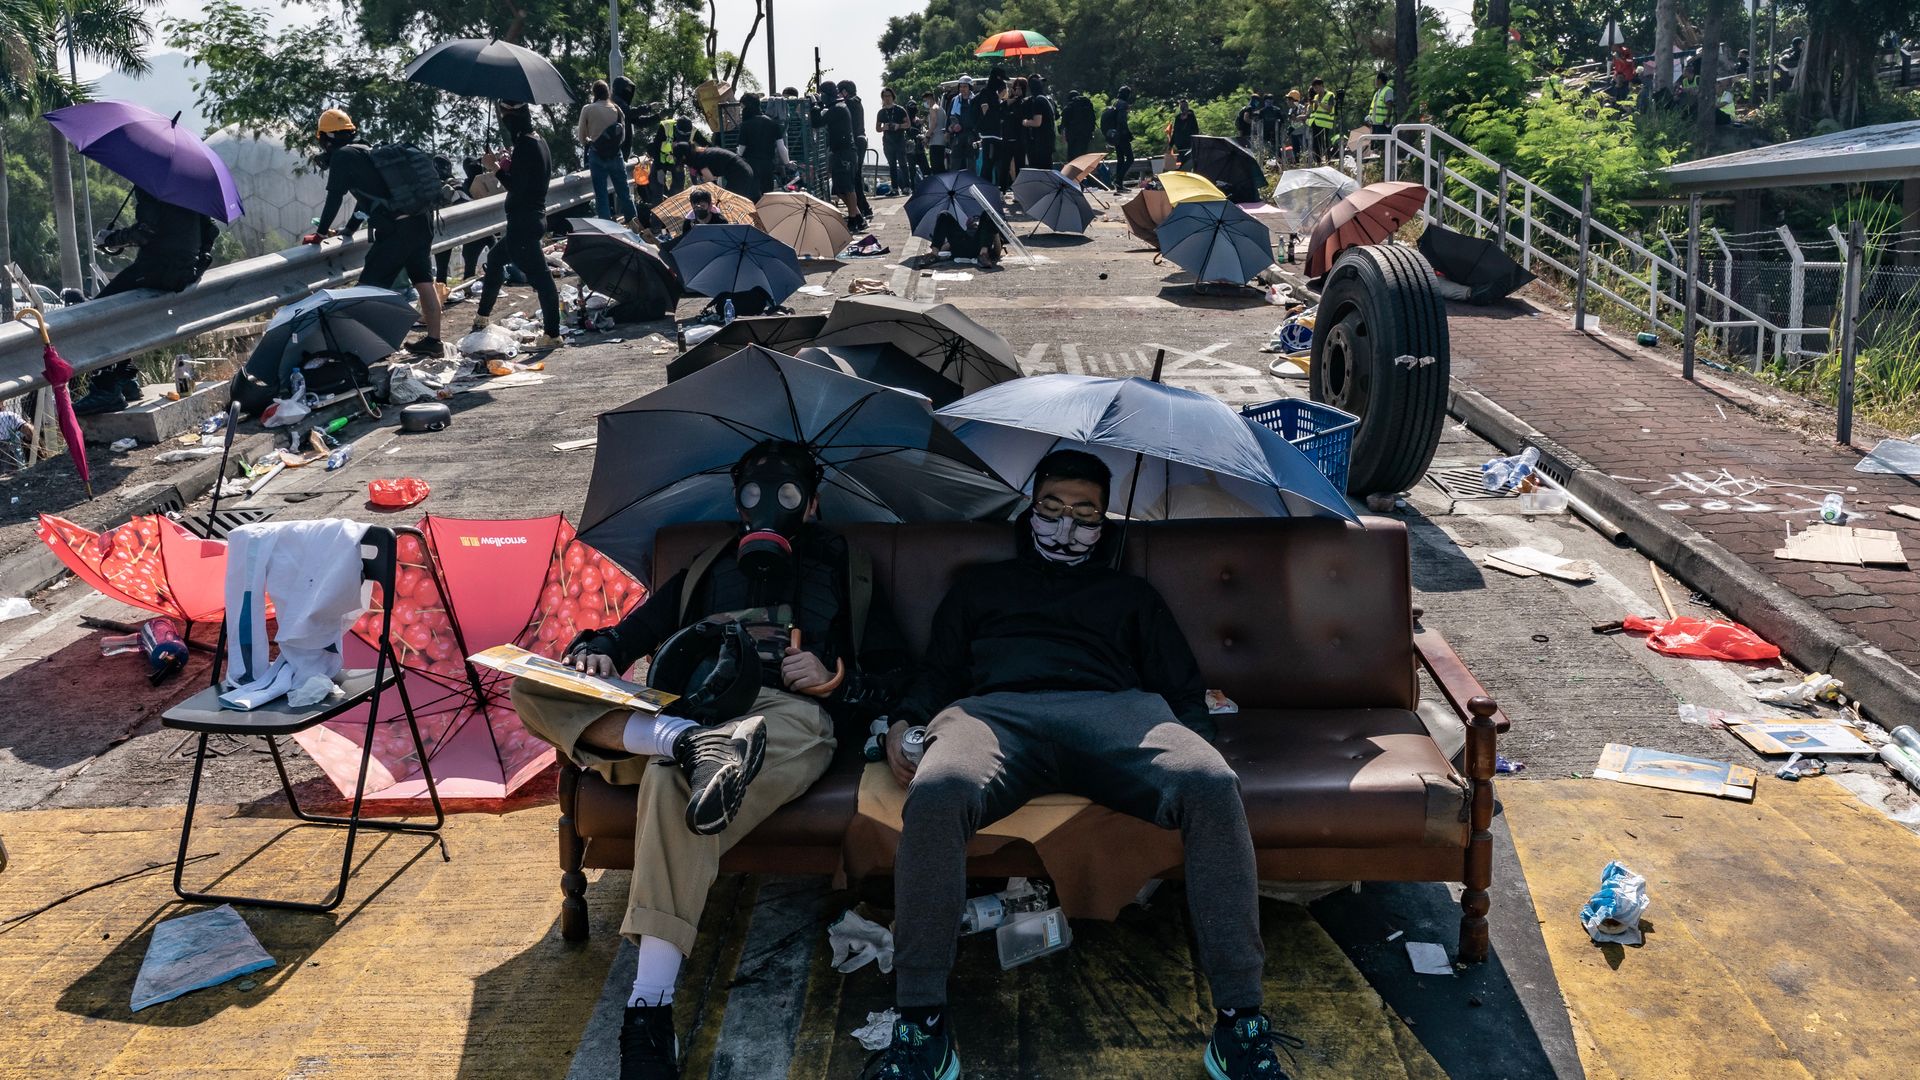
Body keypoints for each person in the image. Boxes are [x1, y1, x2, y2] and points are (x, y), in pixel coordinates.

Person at [862, 449, 1292, 1080]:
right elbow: (938, 673)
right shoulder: (982, 588)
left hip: (1114, 713)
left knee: (1209, 784)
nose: (1066, 527)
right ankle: (921, 1021)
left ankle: (1240, 1022)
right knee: (939, 788)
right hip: (995, 715)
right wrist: (901, 721)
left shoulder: (1130, 595)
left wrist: (1195, 750)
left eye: (1085, 513)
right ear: (1029, 510)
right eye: (1052, 509)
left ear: (1105, 521)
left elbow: (1181, 686)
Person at [513, 439, 907, 1080]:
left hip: (783, 714)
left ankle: (649, 1009)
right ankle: (683, 742)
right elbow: (628, 632)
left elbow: (898, 674)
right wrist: (598, 652)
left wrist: (834, 677)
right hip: (684, 706)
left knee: (677, 782)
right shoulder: (708, 565)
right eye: (753, 493)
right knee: (528, 680)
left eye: (785, 494)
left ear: (811, 503)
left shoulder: (844, 567)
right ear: (736, 501)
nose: (767, 506)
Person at [308, 108, 444, 357]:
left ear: (326, 138)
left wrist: (319, 234)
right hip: (420, 221)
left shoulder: (342, 157)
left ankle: (364, 349)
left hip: (398, 230)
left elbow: (334, 199)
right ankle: (434, 341)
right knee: (423, 281)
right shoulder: (367, 150)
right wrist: (349, 229)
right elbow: (369, 200)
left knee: (369, 289)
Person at [72, 186, 219, 414]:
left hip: (157, 268)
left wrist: (111, 238)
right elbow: (210, 231)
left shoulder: (151, 185)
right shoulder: (191, 186)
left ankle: (106, 389)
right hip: (185, 271)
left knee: (99, 314)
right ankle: (125, 378)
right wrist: (195, 261)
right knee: (123, 308)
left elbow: (144, 232)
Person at [470, 101, 562, 350]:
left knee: (542, 280)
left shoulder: (525, 145)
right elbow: (528, 177)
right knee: (496, 260)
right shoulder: (537, 141)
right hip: (530, 220)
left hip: (523, 223)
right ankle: (482, 318)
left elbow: (517, 187)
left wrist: (495, 169)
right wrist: (508, 164)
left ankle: (552, 334)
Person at [434, 157, 503, 286]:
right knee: (467, 269)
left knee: (445, 264)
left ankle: (445, 289)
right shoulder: (460, 184)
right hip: (474, 227)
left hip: (457, 229)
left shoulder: (452, 186)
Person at [580, 80, 636, 223]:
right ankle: (635, 225)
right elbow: (622, 137)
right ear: (608, 92)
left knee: (601, 196)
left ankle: (607, 231)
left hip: (596, 156)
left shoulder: (588, 109)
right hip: (616, 156)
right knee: (624, 194)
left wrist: (592, 140)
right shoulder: (617, 109)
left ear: (594, 93)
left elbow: (582, 137)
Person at [811, 82, 865, 229]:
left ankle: (853, 219)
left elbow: (817, 122)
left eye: (822, 94)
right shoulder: (837, 107)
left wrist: (815, 108)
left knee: (848, 187)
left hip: (845, 152)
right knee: (839, 190)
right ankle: (858, 216)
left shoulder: (838, 108)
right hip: (840, 152)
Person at [735, 93, 784, 200]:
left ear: (747, 106)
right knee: (767, 197)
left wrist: (736, 155)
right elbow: (781, 147)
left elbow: (741, 150)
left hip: (750, 166)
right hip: (768, 165)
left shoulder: (745, 125)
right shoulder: (772, 123)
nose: (741, 110)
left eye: (742, 107)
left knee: (752, 198)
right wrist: (787, 162)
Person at [677, 141, 761, 200]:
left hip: (739, 173)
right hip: (745, 169)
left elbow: (712, 182)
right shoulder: (702, 154)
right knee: (740, 201)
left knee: (731, 201)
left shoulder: (699, 160)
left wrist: (716, 199)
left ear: (685, 157)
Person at [839, 80, 875, 218]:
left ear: (844, 91)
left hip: (856, 141)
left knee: (854, 177)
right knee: (856, 177)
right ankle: (863, 207)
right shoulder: (856, 101)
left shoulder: (850, 103)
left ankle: (863, 208)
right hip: (860, 140)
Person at [928, 210, 1006, 268]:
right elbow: (946, 247)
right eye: (973, 219)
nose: (975, 221)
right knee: (944, 214)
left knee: (988, 212)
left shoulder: (987, 230)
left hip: (979, 249)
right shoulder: (965, 232)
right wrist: (940, 251)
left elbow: (997, 252)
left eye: (976, 219)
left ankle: (983, 255)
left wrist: (994, 231)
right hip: (961, 246)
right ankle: (934, 255)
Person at [877, 87, 911, 191]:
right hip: (888, 141)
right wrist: (884, 127)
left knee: (902, 164)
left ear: (893, 97)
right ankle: (895, 188)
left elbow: (908, 124)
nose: (887, 98)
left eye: (889, 96)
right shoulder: (881, 112)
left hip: (899, 140)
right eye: (885, 96)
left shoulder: (900, 110)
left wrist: (898, 126)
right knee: (891, 165)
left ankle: (907, 187)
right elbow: (878, 128)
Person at [996, 77, 1028, 188]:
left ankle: (1019, 191)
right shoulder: (1008, 102)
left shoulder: (1025, 102)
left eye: (1020, 88)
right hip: (1006, 138)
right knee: (1004, 166)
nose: (1017, 91)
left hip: (1020, 139)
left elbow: (1020, 116)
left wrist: (1015, 101)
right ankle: (1002, 190)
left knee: (1020, 166)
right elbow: (1000, 113)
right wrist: (1008, 103)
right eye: (1015, 88)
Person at [1021, 73, 1057, 173]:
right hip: (1048, 140)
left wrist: (1025, 122)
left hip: (1042, 142)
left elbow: (1037, 122)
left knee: (1040, 171)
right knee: (1047, 170)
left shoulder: (1038, 101)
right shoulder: (1046, 99)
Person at [1102, 86, 1134, 189]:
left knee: (1120, 159)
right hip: (1121, 135)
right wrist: (1128, 133)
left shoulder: (1115, 102)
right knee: (1130, 158)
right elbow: (1122, 121)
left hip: (1115, 136)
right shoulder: (1123, 104)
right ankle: (1118, 180)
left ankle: (1119, 185)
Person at [947, 77, 978, 174]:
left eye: (965, 86)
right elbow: (949, 117)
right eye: (961, 87)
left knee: (971, 163)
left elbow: (978, 119)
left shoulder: (975, 100)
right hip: (958, 136)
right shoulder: (954, 100)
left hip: (971, 135)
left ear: (970, 87)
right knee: (954, 163)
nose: (962, 89)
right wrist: (952, 127)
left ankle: (972, 185)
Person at [1305, 78, 1336, 164]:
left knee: (1325, 144)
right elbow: (1315, 111)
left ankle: (1328, 161)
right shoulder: (1315, 96)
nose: (1316, 90)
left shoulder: (1330, 95)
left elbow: (1329, 109)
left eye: (1317, 87)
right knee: (1316, 144)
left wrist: (1319, 103)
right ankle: (1318, 162)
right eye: (1314, 88)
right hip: (1316, 123)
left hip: (1325, 123)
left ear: (1322, 86)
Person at [1061, 89, 1096, 162]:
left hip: (1073, 138)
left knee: (1072, 160)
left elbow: (1063, 125)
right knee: (1082, 158)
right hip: (1085, 137)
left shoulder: (1068, 108)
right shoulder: (1086, 107)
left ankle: (1072, 173)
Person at [1363, 70, 1394, 136]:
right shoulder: (1377, 92)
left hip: (1383, 124)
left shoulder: (1387, 90)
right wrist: (1370, 117)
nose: (1375, 81)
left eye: (1376, 79)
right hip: (1375, 124)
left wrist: (1388, 118)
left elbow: (1390, 105)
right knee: (1376, 144)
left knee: (1384, 143)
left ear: (1379, 80)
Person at [1170, 99, 1199, 169]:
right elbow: (1175, 132)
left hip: (1189, 146)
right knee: (1182, 162)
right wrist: (1170, 145)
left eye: (1185, 106)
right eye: (1181, 106)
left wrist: (1194, 142)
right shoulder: (1178, 118)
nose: (1183, 108)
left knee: (1187, 164)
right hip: (1180, 146)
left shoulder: (1191, 117)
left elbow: (1196, 130)